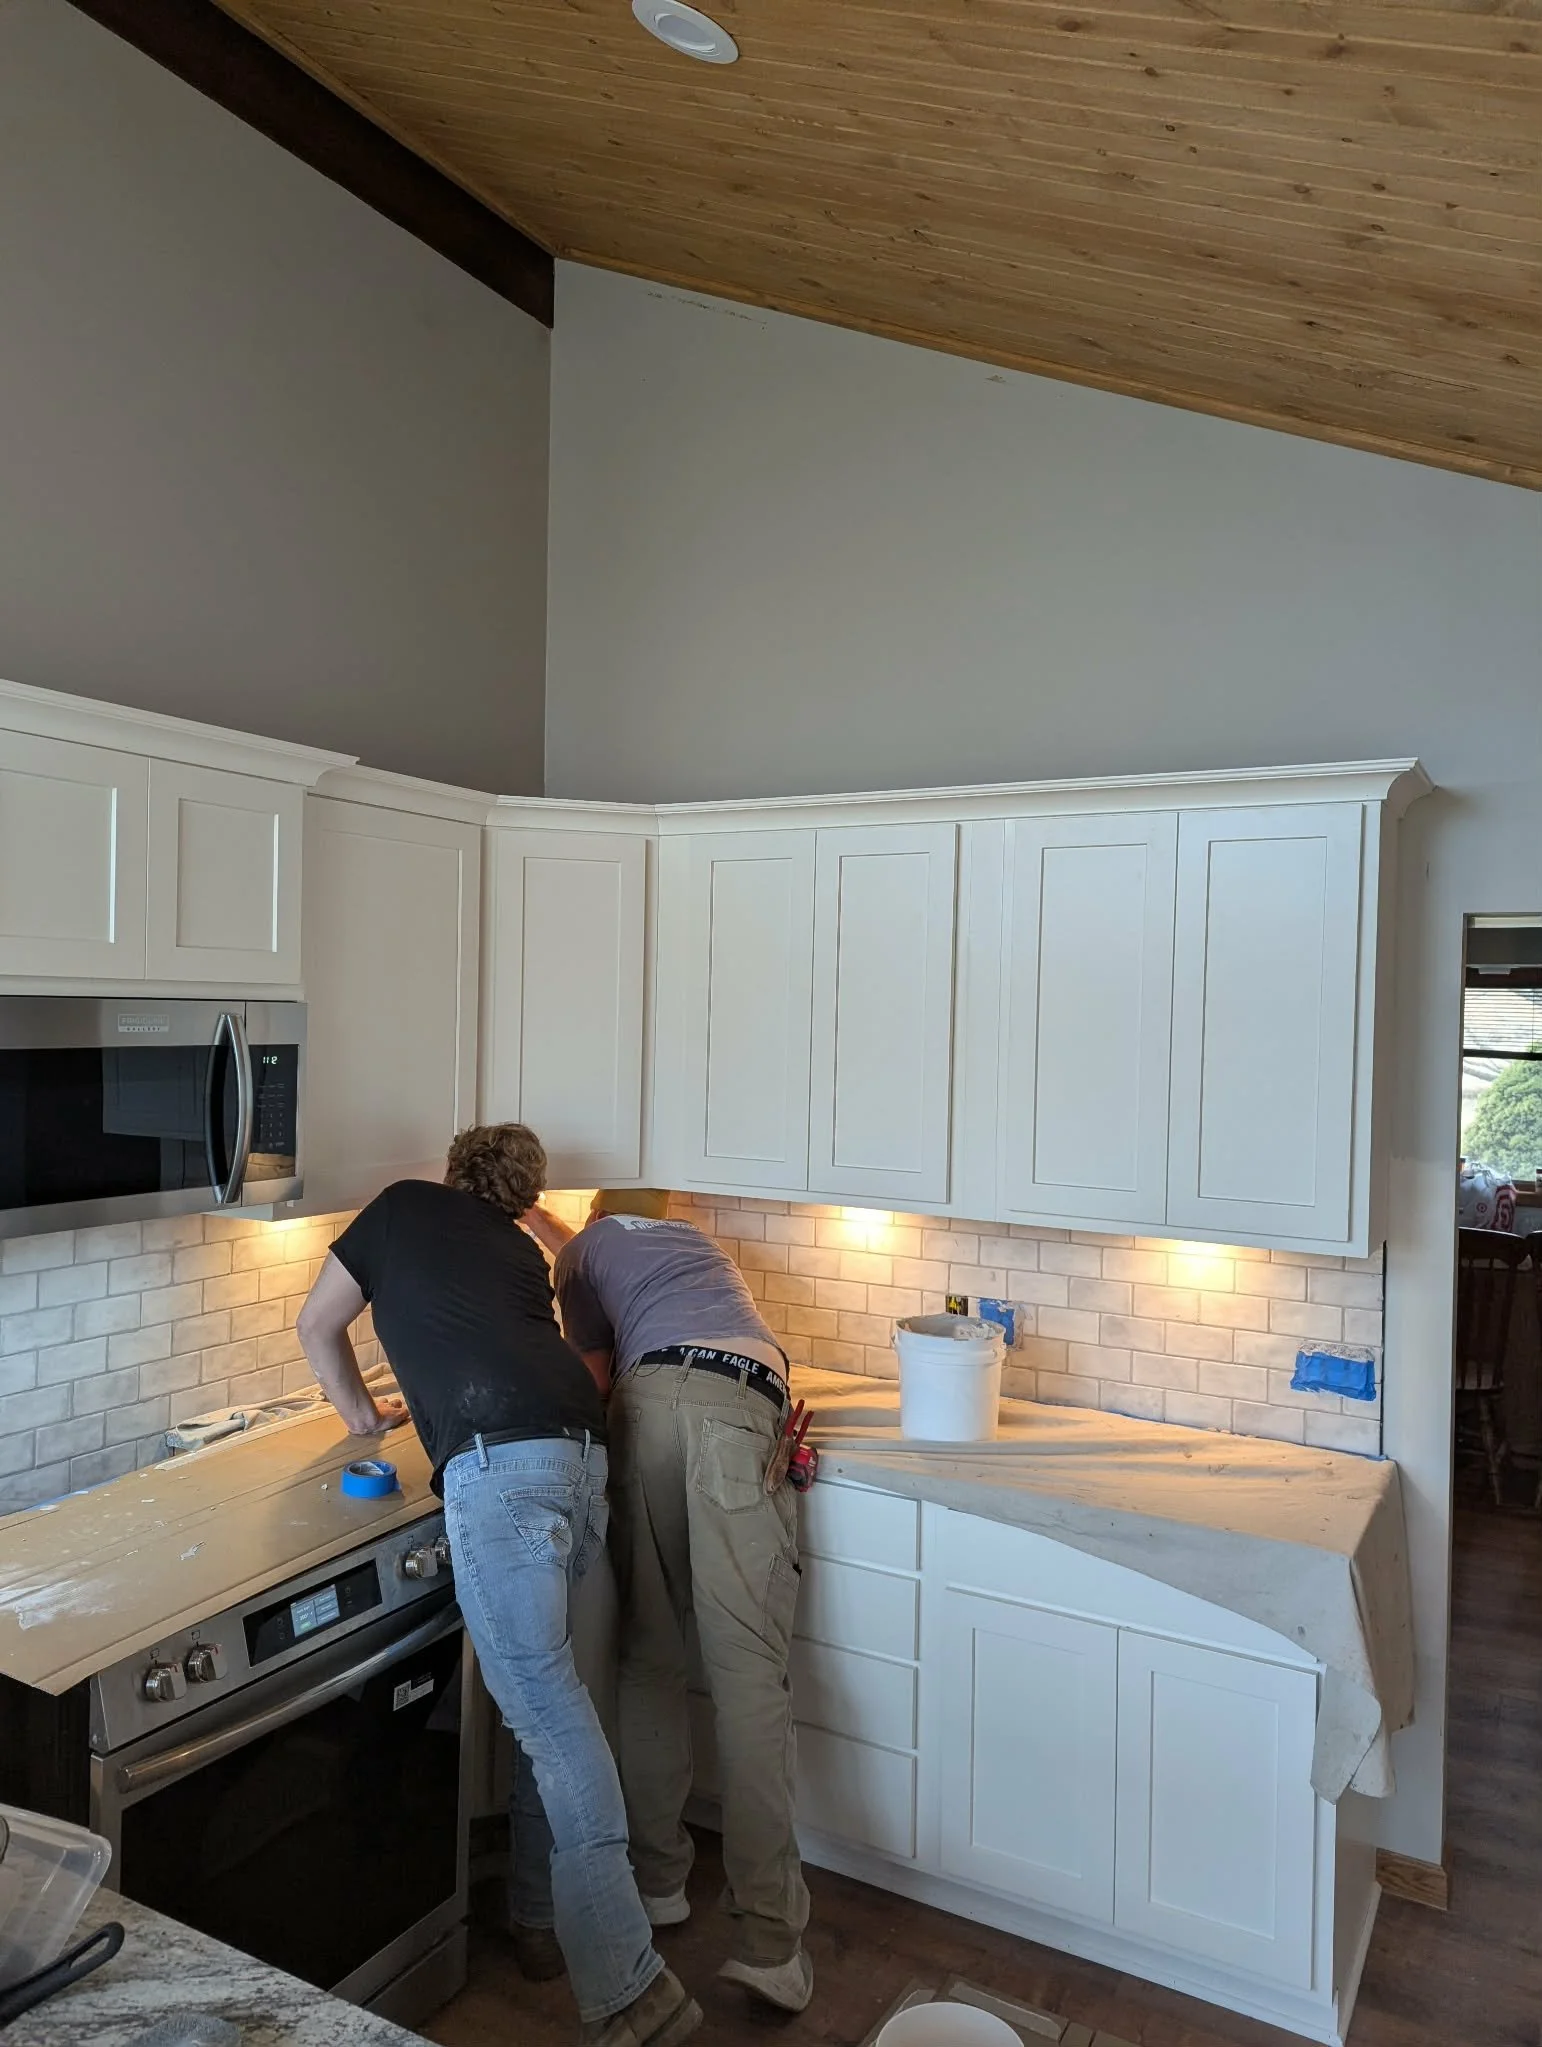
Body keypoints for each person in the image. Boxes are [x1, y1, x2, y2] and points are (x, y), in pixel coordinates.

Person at [295, 1130, 701, 2047]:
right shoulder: (521, 1250)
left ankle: (634, 1986)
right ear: (525, 1197)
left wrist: (362, 1415)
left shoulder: (399, 1207)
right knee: (551, 1707)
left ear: (451, 1166)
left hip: (501, 1468)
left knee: (550, 1721)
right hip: (581, 1453)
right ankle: (535, 1920)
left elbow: (317, 1324)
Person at [524, 1189, 813, 2015]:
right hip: (742, 1401)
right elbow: (576, 1237)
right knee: (749, 1682)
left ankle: (659, 1886)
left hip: (645, 1405)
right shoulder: (695, 1250)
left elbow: (593, 1375)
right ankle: (769, 1946)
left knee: (648, 1658)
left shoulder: (582, 1258)